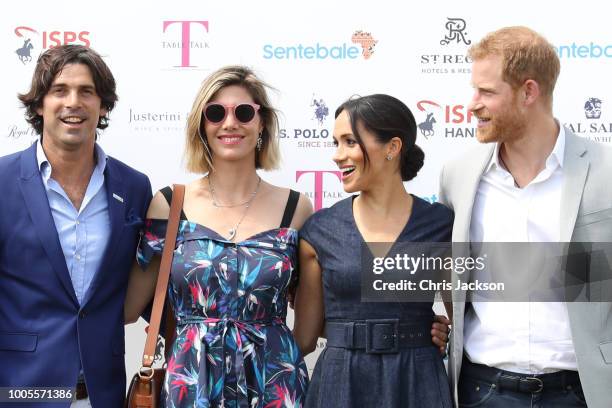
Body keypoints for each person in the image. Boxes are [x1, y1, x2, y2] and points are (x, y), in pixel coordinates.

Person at [439, 26, 612, 408]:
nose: (472, 104)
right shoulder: (459, 176)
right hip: (481, 391)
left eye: (486, 92)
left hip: (583, 392)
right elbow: (453, 278)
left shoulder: (605, 170)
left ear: (529, 92)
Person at [124, 65, 312, 407]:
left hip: (275, 385)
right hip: (193, 383)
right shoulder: (169, 204)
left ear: (262, 124)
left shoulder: (297, 207)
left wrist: (419, 323)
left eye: (243, 112)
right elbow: (129, 306)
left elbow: (316, 309)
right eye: (215, 113)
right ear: (202, 126)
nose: (230, 123)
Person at [0, 45, 152, 407]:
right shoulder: (2, 182)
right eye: (60, 90)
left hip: (102, 394)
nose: (74, 102)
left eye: (87, 91)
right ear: (39, 104)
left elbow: (149, 281)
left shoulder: (134, 187)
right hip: (20, 393)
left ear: (104, 106)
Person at [294, 94, 454, 408]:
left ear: (393, 147)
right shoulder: (320, 230)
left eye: (350, 142)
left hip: (417, 382)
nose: (338, 156)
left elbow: (466, 322)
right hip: (341, 385)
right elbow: (303, 339)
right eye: (336, 143)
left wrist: (443, 334)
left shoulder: (441, 225)